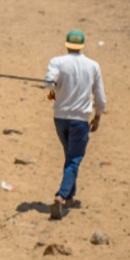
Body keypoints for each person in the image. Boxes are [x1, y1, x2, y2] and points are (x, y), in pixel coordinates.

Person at [44, 30, 107, 220]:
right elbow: (100, 98)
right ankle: (61, 195)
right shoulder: (93, 66)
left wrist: (53, 87)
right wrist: (97, 117)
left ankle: (70, 196)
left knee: (70, 156)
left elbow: (49, 83)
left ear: (66, 44)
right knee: (74, 158)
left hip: (60, 118)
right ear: (83, 45)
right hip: (80, 120)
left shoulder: (57, 61)